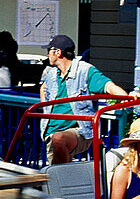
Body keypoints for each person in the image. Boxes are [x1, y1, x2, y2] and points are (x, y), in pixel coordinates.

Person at [40, 34, 132, 164]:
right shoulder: (51, 74)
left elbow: (108, 86)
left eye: (49, 50)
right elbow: (43, 88)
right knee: (57, 174)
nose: (47, 54)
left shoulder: (84, 70)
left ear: (58, 52)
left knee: (59, 139)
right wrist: (45, 108)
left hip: (79, 131)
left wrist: (127, 98)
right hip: (50, 133)